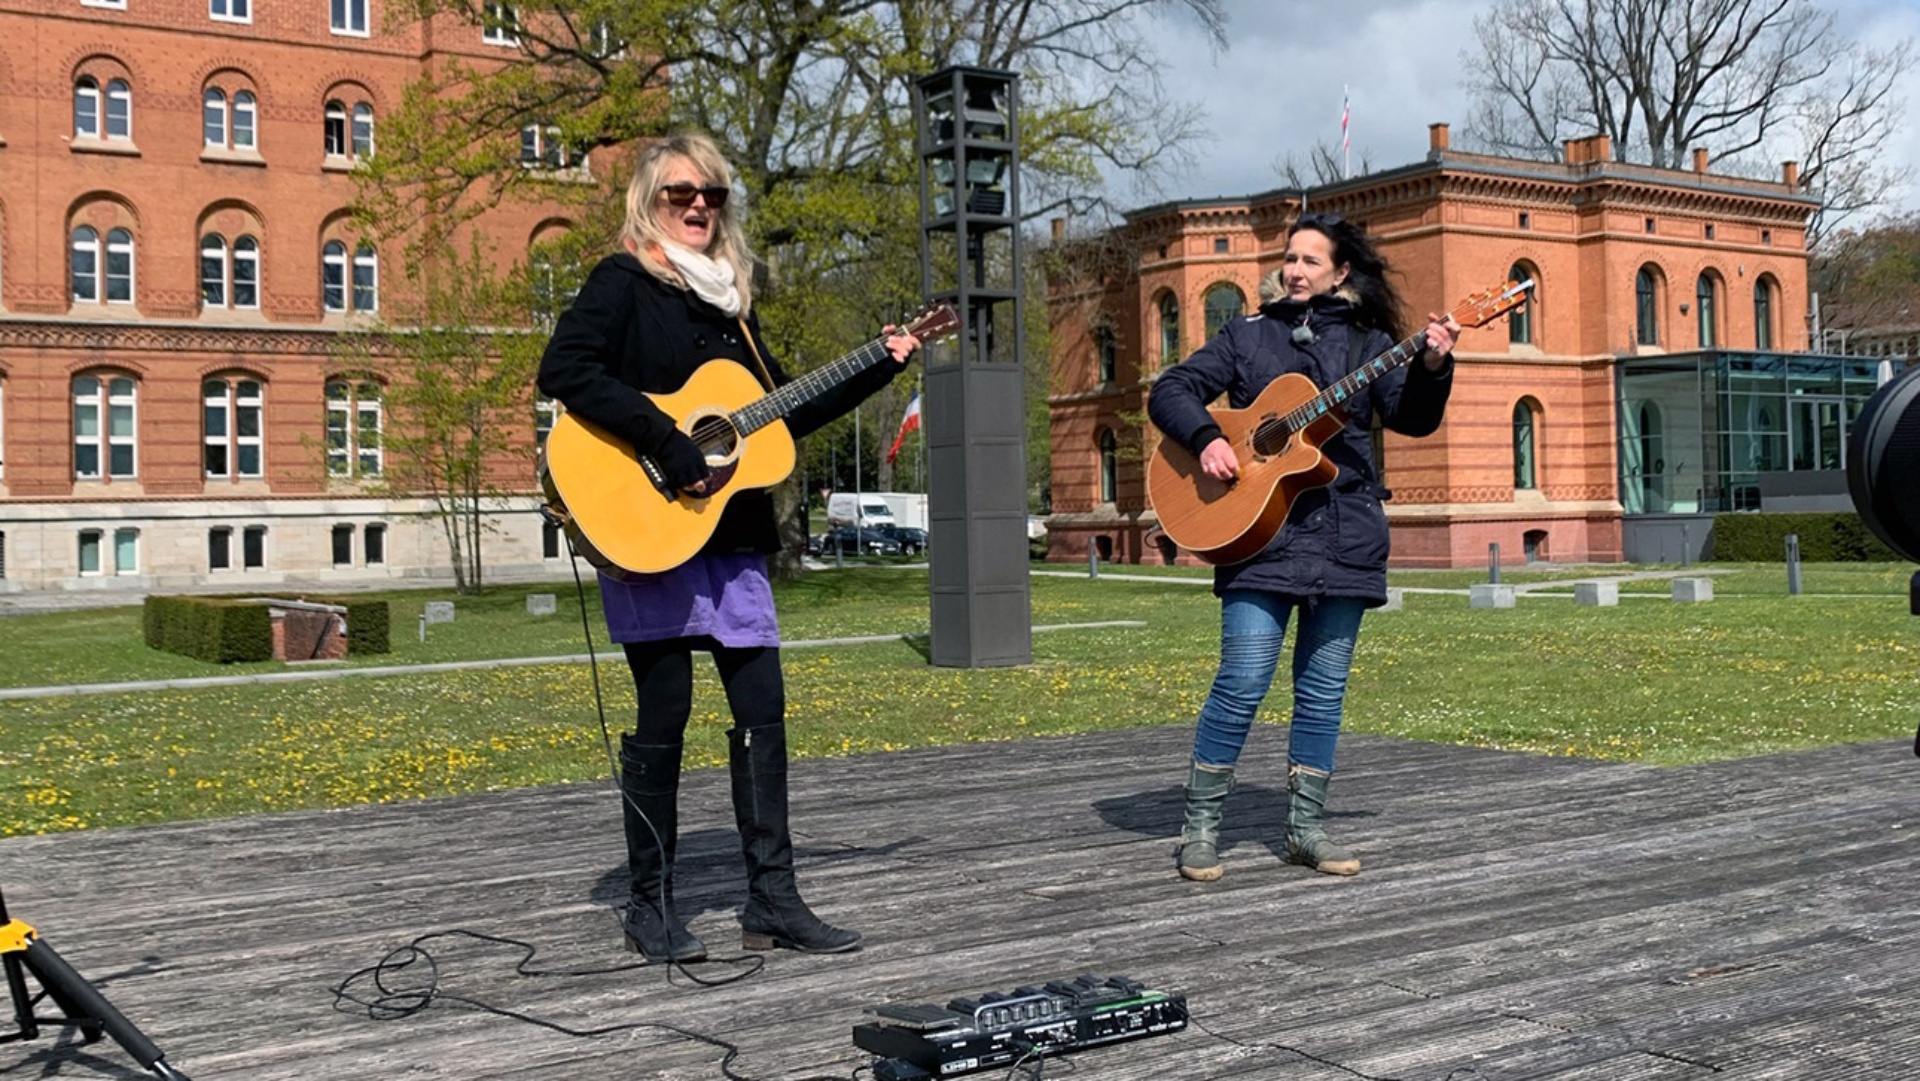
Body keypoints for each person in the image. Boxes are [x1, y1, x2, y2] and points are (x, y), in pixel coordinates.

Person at [538, 132, 918, 961]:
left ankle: (773, 900)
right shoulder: (623, 282)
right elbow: (564, 368)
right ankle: (651, 904)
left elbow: (779, 417)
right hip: (650, 524)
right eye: (682, 194)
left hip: (731, 540)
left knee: (763, 711)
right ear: (650, 202)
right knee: (665, 713)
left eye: (712, 192)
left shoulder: (732, 309)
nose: (700, 205)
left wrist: (878, 368)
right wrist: (670, 443)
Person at [1146, 212, 1460, 882]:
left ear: (1341, 273)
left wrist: (1433, 362)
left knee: (1323, 691)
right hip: (1259, 536)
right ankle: (1200, 828)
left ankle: (1305, 828)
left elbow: (1412, 416)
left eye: (1311, 261)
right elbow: (1170, 390)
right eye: (1290, 258)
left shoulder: (1371, 344)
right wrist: (1208, 438)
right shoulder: (1247, 334)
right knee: (1243, 678)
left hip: (1346, 534)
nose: (1294, 269)